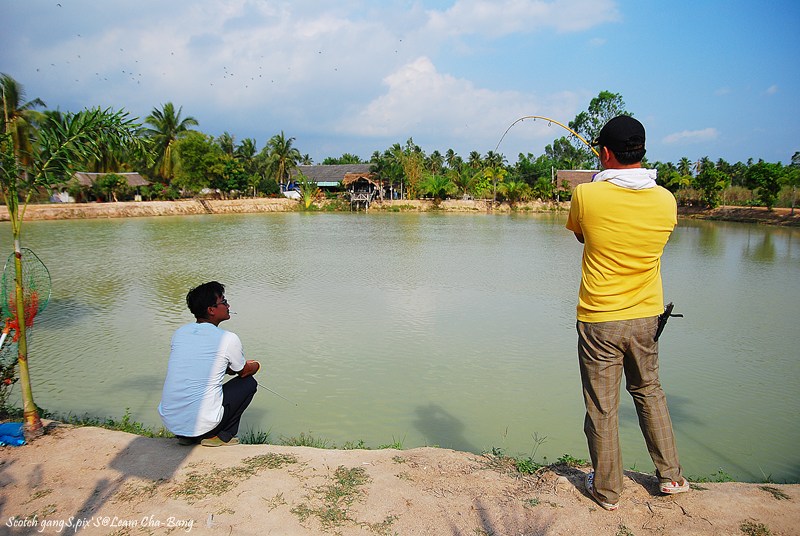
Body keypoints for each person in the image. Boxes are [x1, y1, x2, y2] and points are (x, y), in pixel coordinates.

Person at [566, 115, 689, 511]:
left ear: (604, 153)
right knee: (649, 392)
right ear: (642, 152)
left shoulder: (587, 195)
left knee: (603, 406)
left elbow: (583, 235)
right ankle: (670, 477)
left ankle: (606, 490)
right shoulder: (666, 200)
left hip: (600, 319)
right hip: (647, 317)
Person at [158, 281, 259, 447]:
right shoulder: (228, 338)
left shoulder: (180, 333)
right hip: (202, 424)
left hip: (173, 424)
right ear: (211, 310)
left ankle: (188, 436)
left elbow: (197, 363)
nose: (228, 305)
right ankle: (220, 435)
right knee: (248, 383)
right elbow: (244, 371)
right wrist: (256, 364)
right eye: (224, 302)